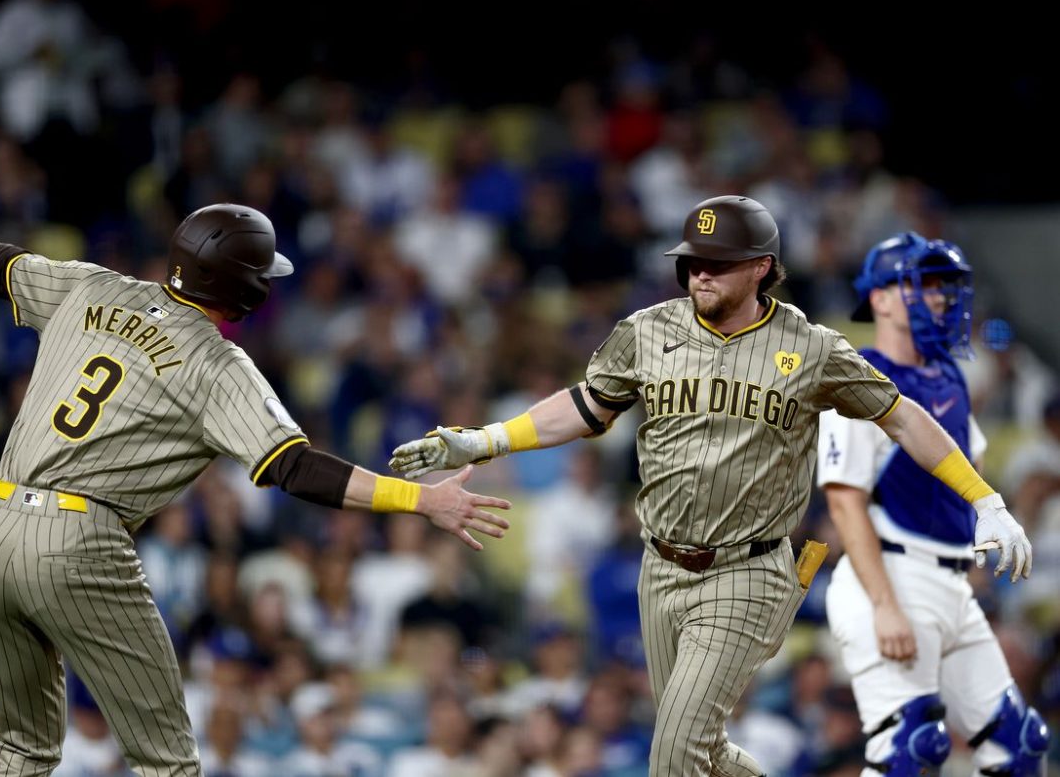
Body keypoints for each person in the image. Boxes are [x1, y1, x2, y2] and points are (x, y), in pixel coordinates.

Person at [389, 195, 1034, 776]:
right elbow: (586, 407)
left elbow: (904, 418)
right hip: (661, 565)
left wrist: (984, 498)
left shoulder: (810, 347)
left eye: (718, 263)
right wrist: (484, 439)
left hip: (750, 571)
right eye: (693, 261)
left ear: (760, 266)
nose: (700, 273)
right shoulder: (648, 331)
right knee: (705, 751)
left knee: (672, 755)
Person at [0, 203, 511, 776]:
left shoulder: (95, 287)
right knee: (167, 762)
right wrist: (421, 498)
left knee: (21, 751)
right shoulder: (217, 364)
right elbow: (295, 468)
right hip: (76, 543)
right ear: (243, 290)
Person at [816, 233, 1050, 775]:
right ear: (879, 298)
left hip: (949, 585)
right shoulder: (859, 377)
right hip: (892, 576)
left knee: (1020, 746)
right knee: (909, 752)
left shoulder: (950, 376)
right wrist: (885, 605)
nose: (940, 298)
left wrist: (975, 549)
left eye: (946, 286)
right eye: (922, 284)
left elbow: (970, 469)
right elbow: (845, 504)